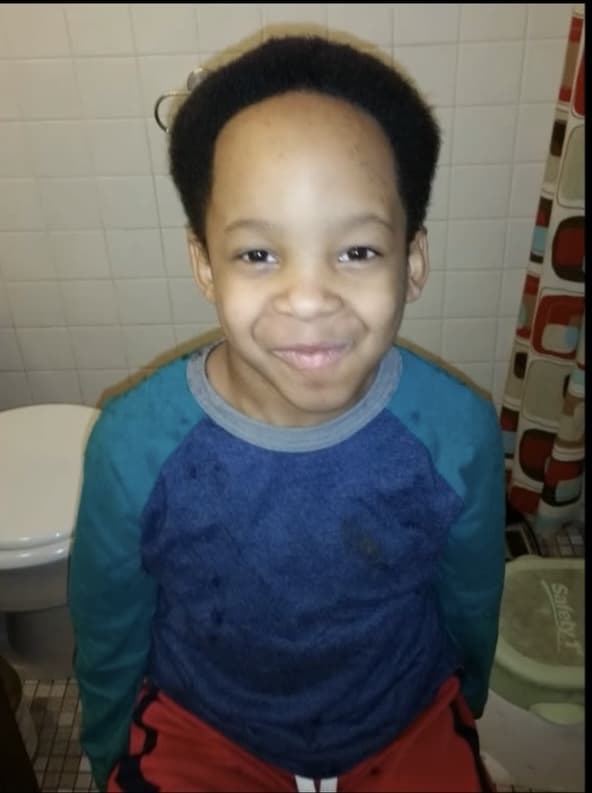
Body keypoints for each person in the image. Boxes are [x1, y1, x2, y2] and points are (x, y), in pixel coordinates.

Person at [68, 34, 505, 793]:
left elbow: (472, 599)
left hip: (401, 714)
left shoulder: (456, 431)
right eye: (258, 255)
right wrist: (111, 749)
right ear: (205, 265)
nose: (308, 299)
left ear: (413, 261)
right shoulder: (133, 445)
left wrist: (464, 706)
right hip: (204, 727)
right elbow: (109, 625)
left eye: (358, 252)